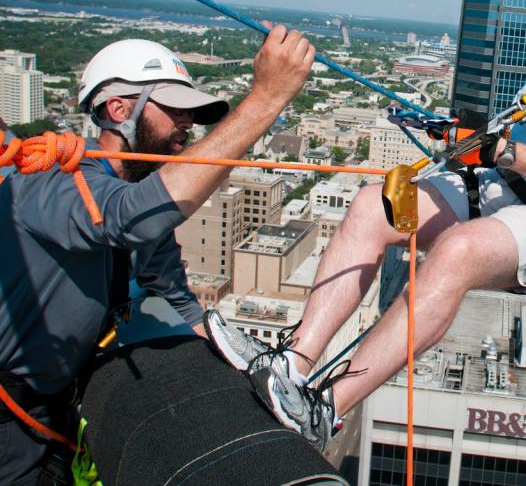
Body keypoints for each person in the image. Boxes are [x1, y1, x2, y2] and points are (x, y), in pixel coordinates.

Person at [205, 0, 526, 450]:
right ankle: (291, 364)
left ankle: (325, 408)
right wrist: (460, 135)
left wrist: (503, 151)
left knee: (459, 251)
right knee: (370, 205)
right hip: (499, 186)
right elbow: (510, 138)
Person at [0, 25, 314, 485]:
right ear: (118, 109)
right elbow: (130, 218)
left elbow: (179, 300)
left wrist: (246, 376)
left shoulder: (137, 201)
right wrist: (266, 98)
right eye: (175, 110)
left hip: (52, 408)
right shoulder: (54, 182)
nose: (188, 124)